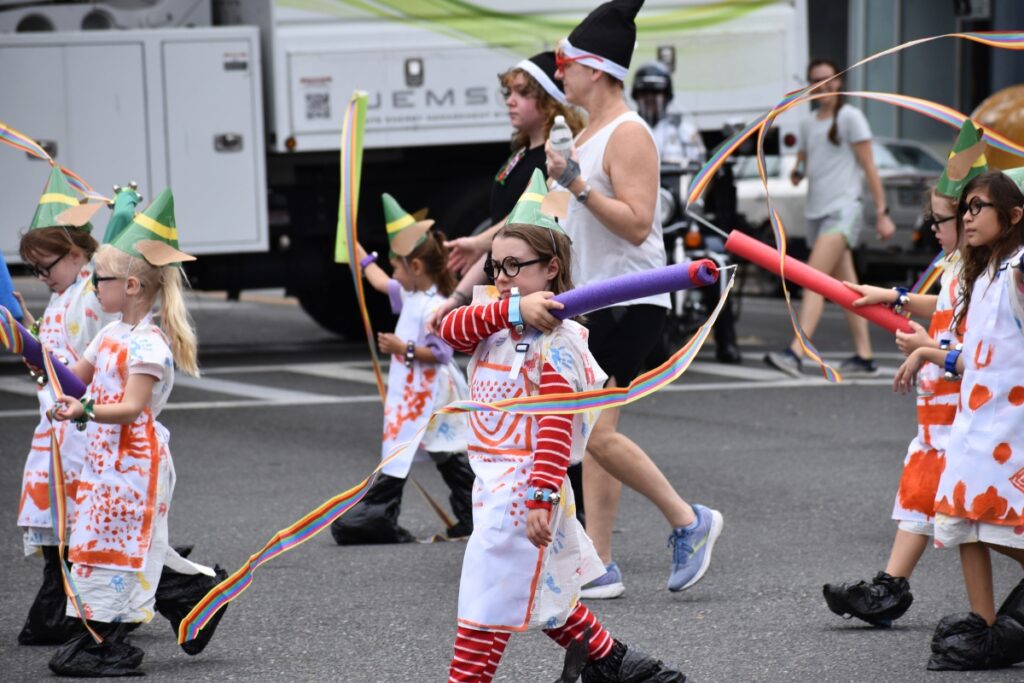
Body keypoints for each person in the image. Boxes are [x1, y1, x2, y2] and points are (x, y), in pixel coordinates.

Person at [437, 171, 686, 682]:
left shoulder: (563, 342)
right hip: (492, 487)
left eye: (516, 266)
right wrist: (512, 306)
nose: (503, 276)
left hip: (527, 489)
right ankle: (616, 664)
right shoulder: (493, 317)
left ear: (551, 269)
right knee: (542, 592)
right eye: (496, 266)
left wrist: (543, 496)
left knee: (485, 603)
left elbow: (553, 423)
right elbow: (448, 329)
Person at [546, 0, 722, 598]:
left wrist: (575, 184)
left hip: (633, 299)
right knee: (595, 436)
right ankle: (600, 561)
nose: (559, 72)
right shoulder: (585, 132)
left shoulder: (627, 132)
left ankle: (688, 520)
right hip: (592, 301)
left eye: (565, 61)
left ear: (595, 68)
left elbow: (641, 224)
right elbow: (565, 223)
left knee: (591, 434)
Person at [48, 189, 227, 676]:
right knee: (113, 544)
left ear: (130, 285)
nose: (90, 287)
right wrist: (27, 342)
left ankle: (110, 641)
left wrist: (82, 409)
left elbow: (130, 408)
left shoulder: (149, 343)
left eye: (97, 279)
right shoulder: (109, 334)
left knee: (123, 549)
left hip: (135, 464)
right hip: (105, 461)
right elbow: (73, 378)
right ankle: (197, 596)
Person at [822, 121, 986, 627]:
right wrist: (894, 297)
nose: (931, 229)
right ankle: (891, 588)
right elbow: (946, 304)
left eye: (940, 220)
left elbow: (979, 341)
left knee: (978, 518)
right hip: (941, 415)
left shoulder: (989, 270)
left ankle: (979, 617)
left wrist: (925, 349)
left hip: (969, 412)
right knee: (925, 491)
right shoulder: (961, 264)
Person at [437, 51, 589, 519]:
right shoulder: (518, 155)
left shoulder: (555, 156)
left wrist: (475, 270)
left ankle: (562, 513)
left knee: (552, 407)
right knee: (503, 400)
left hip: (536, 293)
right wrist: (474, 267)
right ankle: (505, 504)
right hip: (506, 289)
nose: (510, 101)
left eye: (523, 93)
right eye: (508, 92)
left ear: (548, 102)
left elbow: (548, 221)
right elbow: (508, 232)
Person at [892, 170, 1024, 670]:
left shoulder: (1016, 271)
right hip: (975, 424)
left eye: (977, 208)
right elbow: (979, 358)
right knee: (963, 524)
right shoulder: (984, 273)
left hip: (1011, 428)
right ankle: (984, 625)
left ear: (1013, 217)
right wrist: (934, 353)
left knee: (996, 527)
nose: (967, 217)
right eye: (964, 208)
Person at [330, 193, 473, 544]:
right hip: (413, 394)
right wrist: (356, 251)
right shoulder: (410, 295)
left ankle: (465, 511)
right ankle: (467, 511)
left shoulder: (435, 306)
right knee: (431, 451)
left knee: (439, 450)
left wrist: (403, 348)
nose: (393, 274)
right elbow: (378, 281)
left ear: (417, 268)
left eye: (398, 267)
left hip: (433, 394)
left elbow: (441, 353)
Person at [14, 166, 112, 646]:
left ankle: (186, 589)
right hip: (55, 433)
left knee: (79, 531)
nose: (41, 277)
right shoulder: (60, 299)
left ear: (76, 255)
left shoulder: (88, 295)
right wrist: (28, 328)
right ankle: (66, 609)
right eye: (33, 270)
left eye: (45, 266)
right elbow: (51, 362)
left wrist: (111, 213)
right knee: (66, 532)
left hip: (82, 433)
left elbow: (76, 363)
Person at [764, 58, 896, 378]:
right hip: (817, 212)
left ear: (839, 83)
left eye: (828, 79)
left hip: (843, 210)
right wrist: (796, 173)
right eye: (815, 81)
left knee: (813, 279)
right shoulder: (809, 122)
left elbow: (870, 168)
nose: (822, 86)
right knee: (847, 290)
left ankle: (797, 352)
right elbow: (803, 164)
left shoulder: (851, 118)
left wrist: (881, 213)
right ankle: (864, 356)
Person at [631, 60, 741, 364]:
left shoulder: (684, 127)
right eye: (645, 93)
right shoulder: (629, 124)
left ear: (668, 94)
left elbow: (701, 168)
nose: (651, 99)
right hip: (640, 216)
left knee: (716, 262)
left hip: (681, 213)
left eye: (657, 93)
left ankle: (725, 339)